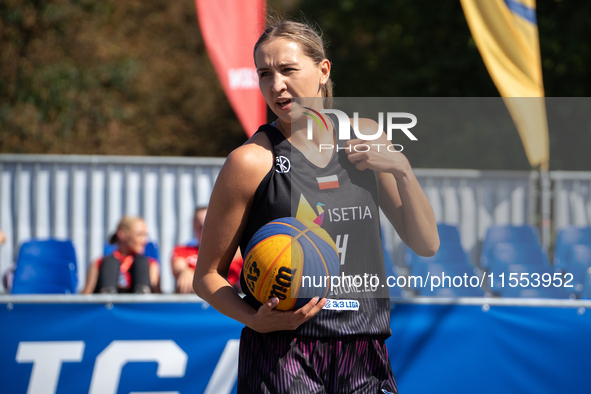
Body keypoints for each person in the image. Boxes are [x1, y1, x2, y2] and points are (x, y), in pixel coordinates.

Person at [193, 19, 439, 393]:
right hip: (283, 354)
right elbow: (207, 276)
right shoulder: (251, 161)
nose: (276, 85)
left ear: (323, 70)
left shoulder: (366, 137)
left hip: (363, 348)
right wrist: (254, 320)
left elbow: (427, 244)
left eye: (288, 70)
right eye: (264, 73)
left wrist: (402, 169)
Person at [171, 206, 243, 294]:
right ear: (194, 228)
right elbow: (178, 266)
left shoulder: (239, 253)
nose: (205, 231)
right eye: (201, 227)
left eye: (209, 225)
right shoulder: (183, 251)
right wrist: (185, 271)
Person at [82, 216, 160, 294]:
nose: (144, 240)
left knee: (141, 262)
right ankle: (108, 292)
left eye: (145, 235)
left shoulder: (151, 265)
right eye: (139, 234)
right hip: (107, 305)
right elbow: (86, 297)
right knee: (110, 263)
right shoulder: (99, 263)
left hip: (139, 306)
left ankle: (142, 291)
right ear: (122, 234)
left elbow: (158, 298)